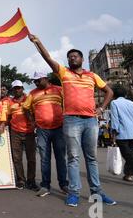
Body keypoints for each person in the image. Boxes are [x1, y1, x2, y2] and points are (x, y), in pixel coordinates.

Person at [28, 34, 116, 207]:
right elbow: (48, 58)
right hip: (71, 121)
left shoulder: (92, 76)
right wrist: (38, 42)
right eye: (69, 57)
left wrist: (101, 108)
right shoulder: (64, 73)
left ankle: (96, 192)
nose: (72, 58)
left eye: (75, 56)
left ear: (82, 59)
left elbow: (109, 92)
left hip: (90, 120)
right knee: (73, 158)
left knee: (91, 158)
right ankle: (74, 192)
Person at [23, 72, 68, 197]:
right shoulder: (32, 93)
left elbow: (68, 104)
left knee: (60, 157)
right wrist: (32, 121)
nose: (36, 83)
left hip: (59, 128)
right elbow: (26, 108)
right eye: (34, 81)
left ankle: (64, 184)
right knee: (44, 159)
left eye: (38, 80)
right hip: (42, 130)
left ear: (46, 79)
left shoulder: (59, 90)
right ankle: (45, 186)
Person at [7, 80, 39, 191]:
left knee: (31, 158)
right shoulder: (9, 102)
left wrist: (34, 126)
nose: (17, 90)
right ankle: (21, 180)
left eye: (19, 88)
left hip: (29, 132)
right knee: (17, 158)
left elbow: (35, 114)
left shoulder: (30, 99)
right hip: (15, 132)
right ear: (12, 90)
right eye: (15, 88)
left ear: (22, 88)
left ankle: (31, 181)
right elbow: (8, 117)